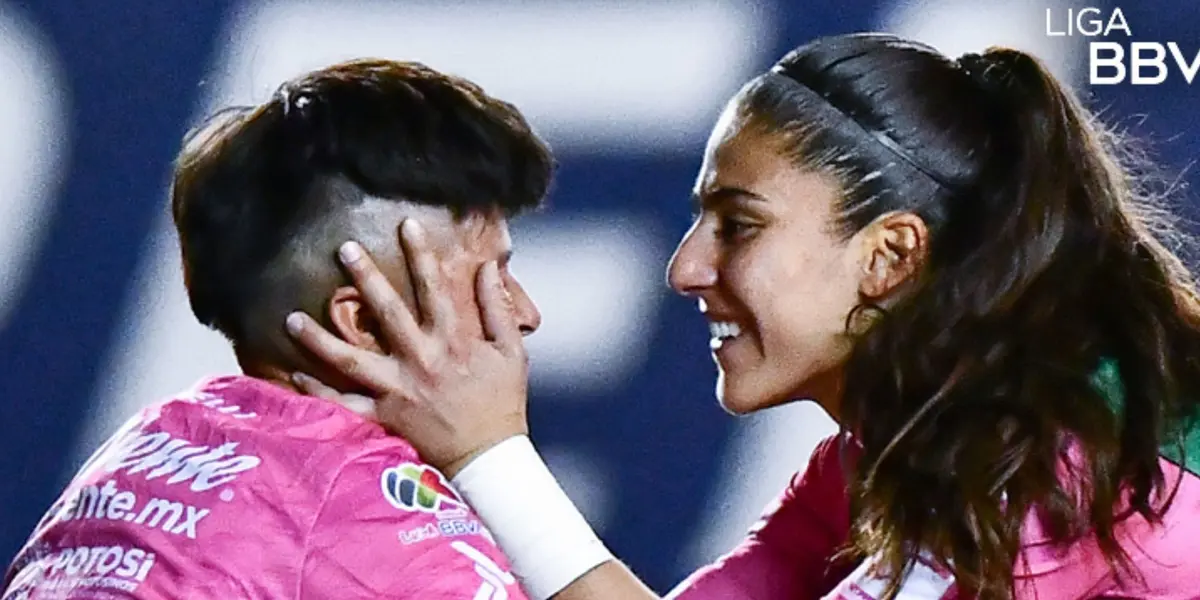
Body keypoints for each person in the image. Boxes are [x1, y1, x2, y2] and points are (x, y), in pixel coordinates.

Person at [284, 33, 1200, 600]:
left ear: (890, 256)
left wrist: (488, 456)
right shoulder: (888, 456)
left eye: (738, 225)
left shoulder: (1056, 470)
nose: (685, 267)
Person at [3, 58, 551, 599]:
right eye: (493, 276)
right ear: (363, 323)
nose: (525, 313)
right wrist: (494, 459)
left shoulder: (137, 457)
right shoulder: (377, 516)